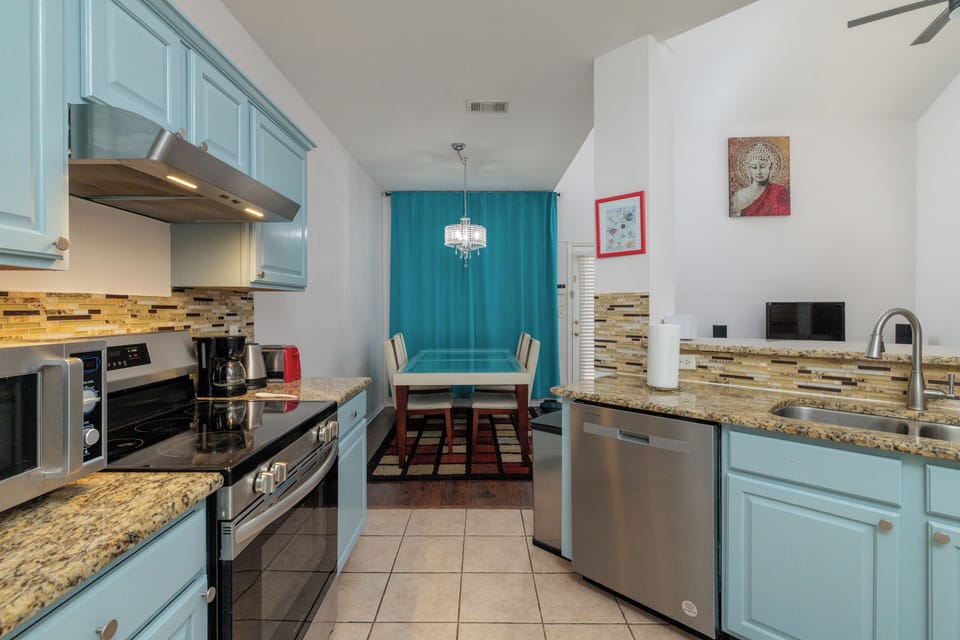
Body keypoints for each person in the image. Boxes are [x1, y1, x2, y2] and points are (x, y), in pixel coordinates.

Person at [729, 142, 790, 217]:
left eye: (762, 166)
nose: (758, 172)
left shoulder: (779, 191)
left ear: (770, 167)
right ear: (749, 169)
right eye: (754, 167)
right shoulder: (739, 196)